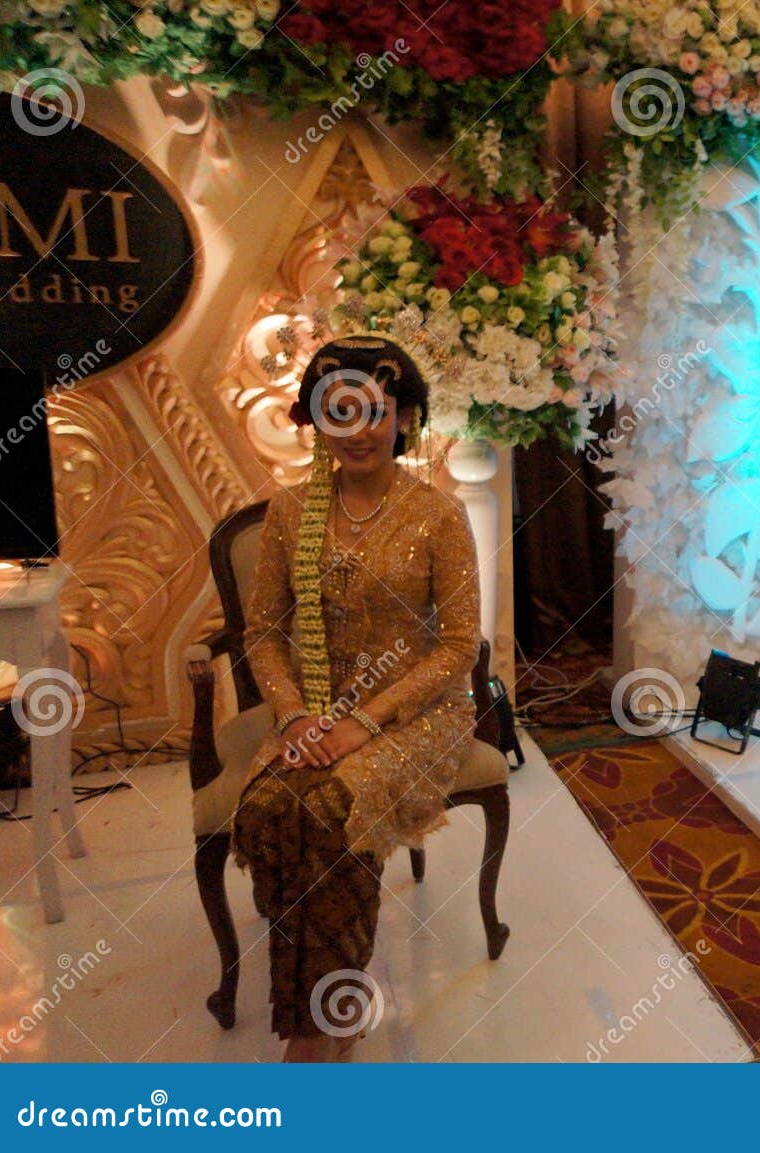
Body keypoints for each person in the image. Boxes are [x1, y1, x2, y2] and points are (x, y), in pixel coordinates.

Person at [233, 336, 482, 1062]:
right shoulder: (290, 512)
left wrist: (364, 722)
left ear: (404, 418)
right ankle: (312, 1000)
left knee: (327, 806)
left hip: (415, 711)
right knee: (272, 807)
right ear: (318, 424)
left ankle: (327, 1019)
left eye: (375, 411)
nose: (360, 430)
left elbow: (457, 647)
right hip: (310, 707)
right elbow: (263, 632)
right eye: (339, 412)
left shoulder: (438, 514)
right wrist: (295, 715)